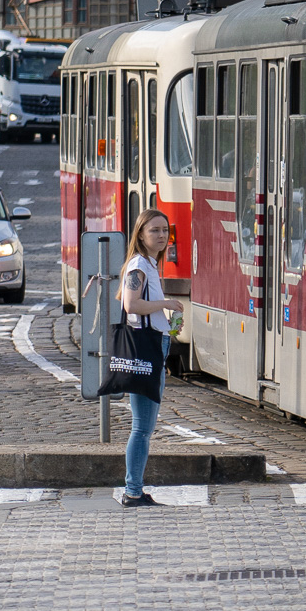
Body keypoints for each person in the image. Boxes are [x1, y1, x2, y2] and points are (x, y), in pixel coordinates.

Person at [119, 208, 184, 507]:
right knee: (142, 428)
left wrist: (167, 321)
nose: (161, 235)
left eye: (165, 230)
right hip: (147, 348)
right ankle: (132, 491)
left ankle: (134, 489)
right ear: (141, 234)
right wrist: (166, 303)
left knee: (143, 427)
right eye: (154, 230)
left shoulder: (148, 264)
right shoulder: (139, 265)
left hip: (155, 343)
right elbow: (131, 304)